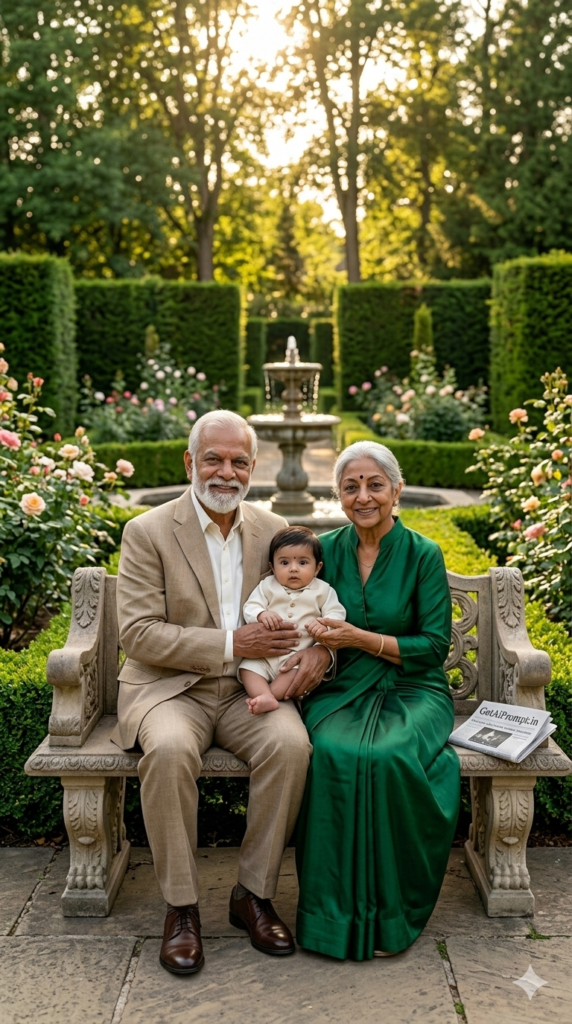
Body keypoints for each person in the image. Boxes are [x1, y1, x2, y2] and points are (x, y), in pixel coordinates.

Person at [113, 410, 332, 976]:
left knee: (290, 747)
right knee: (166, 751)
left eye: (238, 461)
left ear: (253, 468)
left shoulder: (272, 528)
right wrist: (233, 642)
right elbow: (137, 633)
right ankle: (181, 909)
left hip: (248, 692)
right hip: (170, 689)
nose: (225, 471)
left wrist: (320, 651)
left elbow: (309, 605)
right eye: (213, 457)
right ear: (190, 462)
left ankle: (252, 896)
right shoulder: (148, 531)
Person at [295, 440, 460, 960]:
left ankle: (392, 913)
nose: (363, 496)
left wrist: (357, 638)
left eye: (374, 485)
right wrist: (320, 645)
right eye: (350, 486)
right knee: (332, 755)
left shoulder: (424, 554)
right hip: (342, 687)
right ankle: (329, 921)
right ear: (338, 495)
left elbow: (435, 646)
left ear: (396, 490)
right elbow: (297, 610)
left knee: (386, 756)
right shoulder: (324, 550)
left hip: (414, 688)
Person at [239, 526, 346, 714]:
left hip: (295, 658)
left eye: (303, 562)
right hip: (263, 658)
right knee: (247, 669)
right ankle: (264, 695)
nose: (293, 569)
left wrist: (323, 624)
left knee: (295, 674)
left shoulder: (323, 591)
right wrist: (261, 614)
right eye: (284, 563)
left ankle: (269, 697)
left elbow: (337, 613)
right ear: (272, 567)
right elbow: (250, 606)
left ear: (317, 567)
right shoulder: (267, 586)